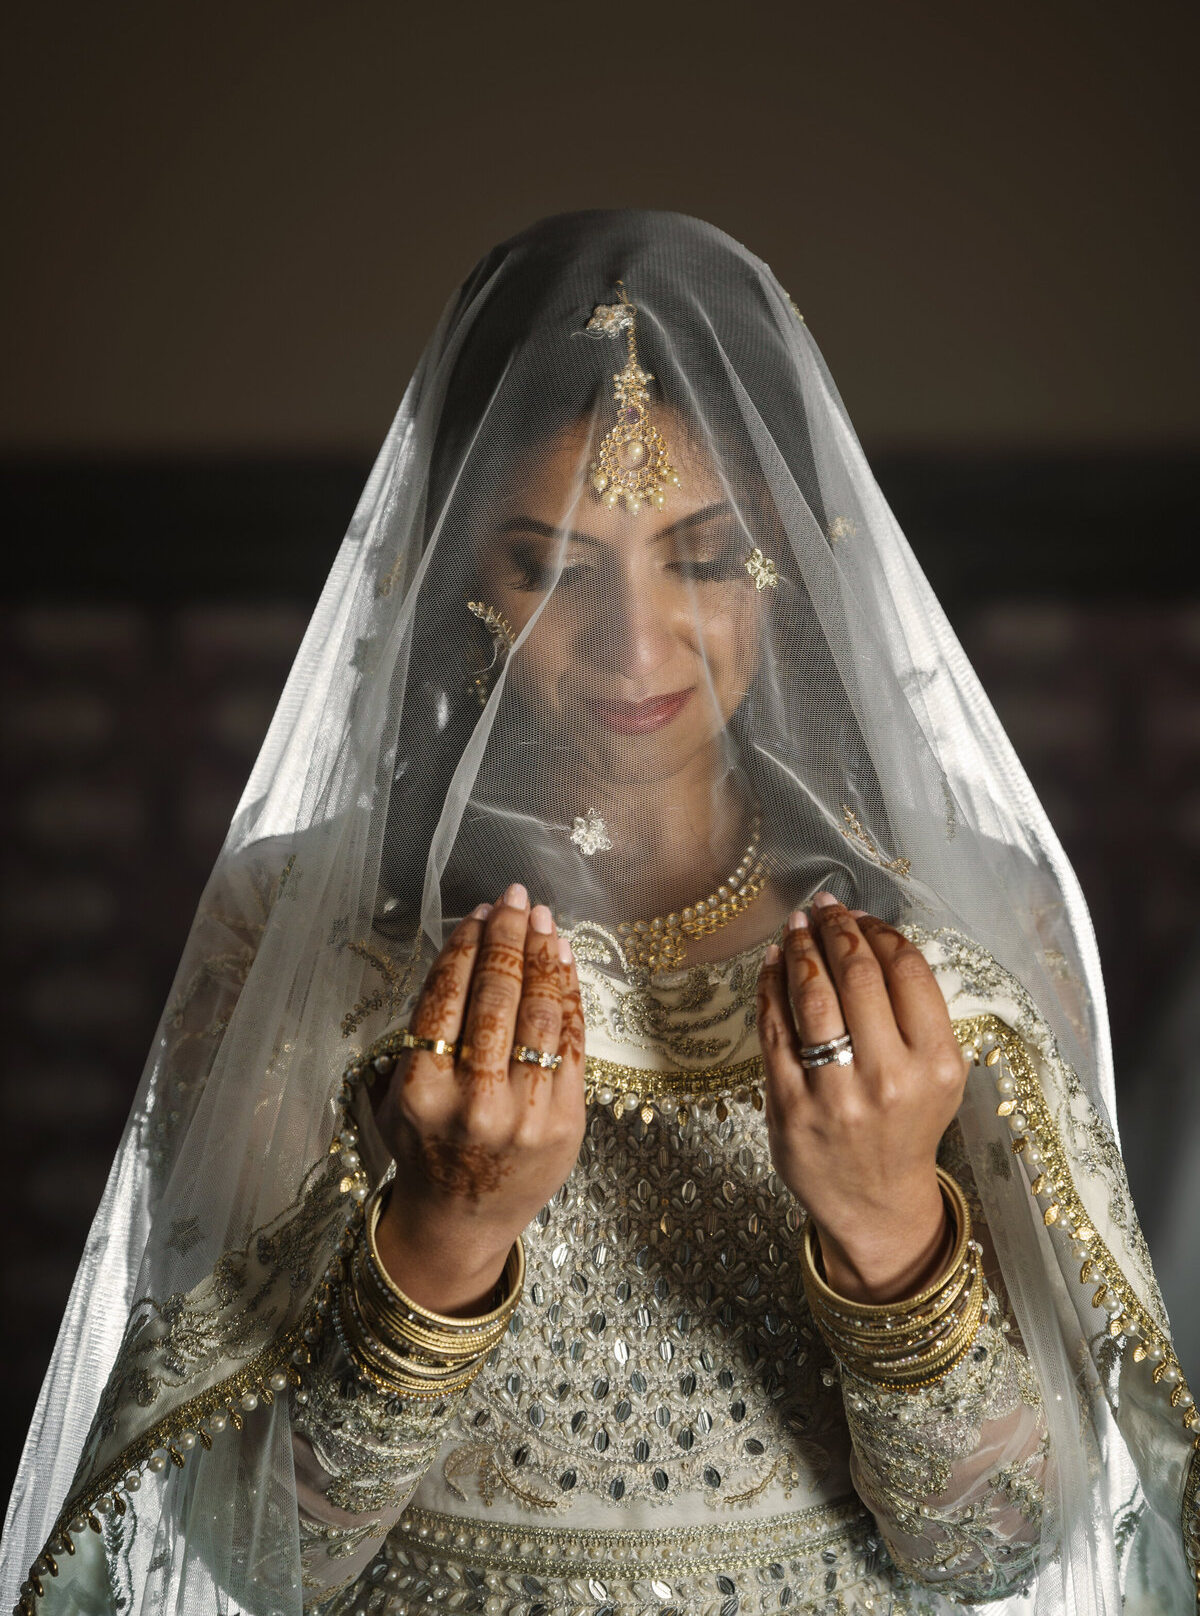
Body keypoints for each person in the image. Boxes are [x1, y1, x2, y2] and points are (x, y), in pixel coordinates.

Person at [2, 211, 1195, 1616]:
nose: (636, 644)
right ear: (457, 580)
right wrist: (443, 1244)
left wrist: (893, 1234)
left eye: (701, 558)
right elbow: (259, 1560)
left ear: (791, 575)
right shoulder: (309, 942)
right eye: (556, 567)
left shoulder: (936, 948)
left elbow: (1002, 1546)